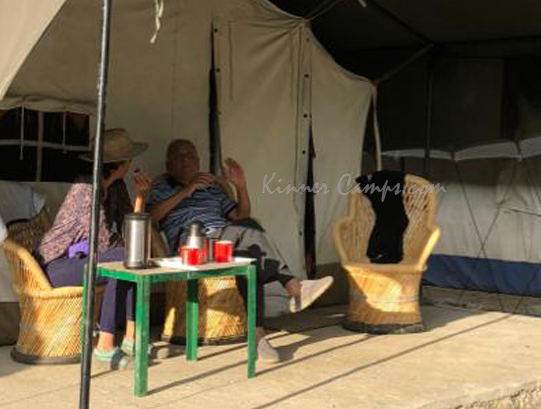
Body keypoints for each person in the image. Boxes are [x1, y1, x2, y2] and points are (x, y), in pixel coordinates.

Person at [147, 139, 333, 362]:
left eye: (191, 155)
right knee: (250, 236)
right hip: (192, 245)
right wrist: (186, 191)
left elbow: (240, 216)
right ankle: (294, 287)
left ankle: (257, 337)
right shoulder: (161, 187)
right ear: (169, 164)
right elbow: (152, 218)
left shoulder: (212, 187)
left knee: (250, 256)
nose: (187, 160)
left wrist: (241, 187)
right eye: (180, 156)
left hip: (224, 239)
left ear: (198, 161)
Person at [36, 128, 151, 369]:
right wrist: (124, 248)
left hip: (91, 259)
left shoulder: (116, 186)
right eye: (129, 159)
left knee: (131, 259)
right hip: (58, 265)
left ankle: (132, 337)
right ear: (119, 164)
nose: (131, 164)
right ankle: (105, 345)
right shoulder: (85, 189)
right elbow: (103, 243)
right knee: (122, 258)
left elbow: (132, 227)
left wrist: (141, 196)